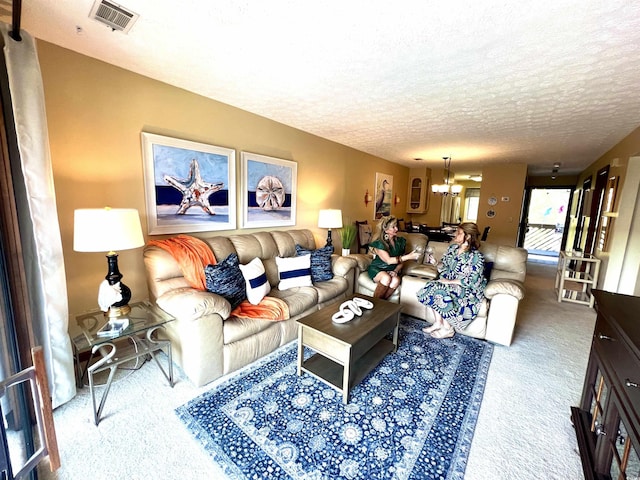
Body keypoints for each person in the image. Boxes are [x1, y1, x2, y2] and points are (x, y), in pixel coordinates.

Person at [416, 222, 487, 339]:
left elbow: (473, 281)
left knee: (440, 290)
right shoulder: (452, 248)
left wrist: (449, 282)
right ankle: (438, 323)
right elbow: (445, 268)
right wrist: (436, 263)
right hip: (450, 283)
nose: (455, 235)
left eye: (459, 233)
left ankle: (448, 329)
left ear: (468, 236)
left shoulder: (476, 256)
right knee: (431, 286)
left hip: (468, 290)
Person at [367, 215, 420, 299]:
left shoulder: (400, 241)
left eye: (396, 226)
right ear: (386, 229)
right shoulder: (379, 243)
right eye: (393, 227)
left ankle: (382, 304)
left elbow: (401, 261)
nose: (397, 229)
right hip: (377, 268)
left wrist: (395, 270)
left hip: (391, 269)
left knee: (396, 280)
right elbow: (389, 261)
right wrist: (408, 256)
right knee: (386, 278)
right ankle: (374, 303)